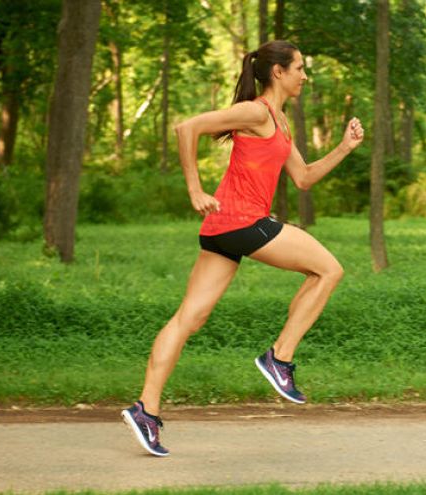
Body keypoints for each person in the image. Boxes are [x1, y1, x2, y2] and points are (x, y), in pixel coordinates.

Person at [121, 40, 365, 457]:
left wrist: (344, 148)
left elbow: (303, 178)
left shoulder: (281, 123)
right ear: (279, 73)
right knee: (328, 270)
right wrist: (194, 188)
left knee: (188, 319)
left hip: (222, 229)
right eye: (300, 68)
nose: (305, 76)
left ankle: (146, 408)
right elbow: (186, 128)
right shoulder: (256, 111)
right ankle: (280, 358)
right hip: (242, 221)